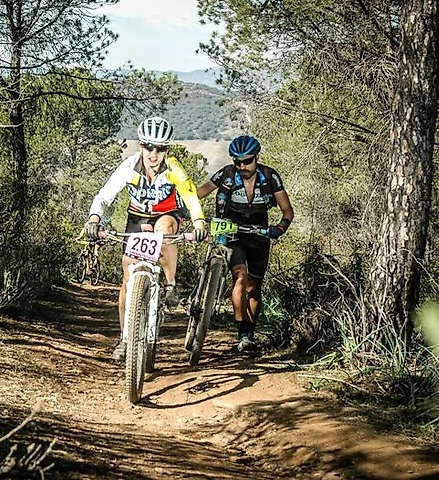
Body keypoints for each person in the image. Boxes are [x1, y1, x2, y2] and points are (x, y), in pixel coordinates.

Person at [84, 116, 208, 361]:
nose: (154, 153)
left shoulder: (173, 168)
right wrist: (94, 218)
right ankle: (125, 339)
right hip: (137, 218)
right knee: (128, 278)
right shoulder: (129, 167)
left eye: (160, 148)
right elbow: (105, 195)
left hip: (166, 214)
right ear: (140, 146)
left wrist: (199, 222)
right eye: (148, 147)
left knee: (165, 231)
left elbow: (191, 197)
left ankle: (171, 284)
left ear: (167, 149)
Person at [197, 135, 294, 352]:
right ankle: (241, 331)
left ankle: (249, 333)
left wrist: (280, 227)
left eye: (247, 161)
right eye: (237, 162)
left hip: (259, 233)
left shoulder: (270, 177)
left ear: (256, 157)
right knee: (240, 277)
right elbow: (200, 193)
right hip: (233, 232)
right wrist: (187, 210)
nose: (242, 166)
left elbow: (287, 210)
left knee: (254, 287)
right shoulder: (226, 174)